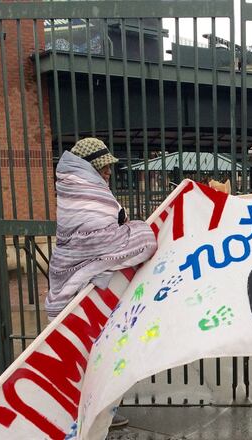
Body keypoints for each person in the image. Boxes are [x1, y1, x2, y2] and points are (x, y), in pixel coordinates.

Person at [45, 138, 157, 428]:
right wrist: (140, 231)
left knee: (93, 352)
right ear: (90, 167)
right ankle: (80, 415)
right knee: (85, 353)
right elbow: (98, 241)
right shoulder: (81, 192)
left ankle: (97, 411)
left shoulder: (85, 189)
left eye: (109, 168)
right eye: (103, 167)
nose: (108, 173)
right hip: (76, 284)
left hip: (79, 281)